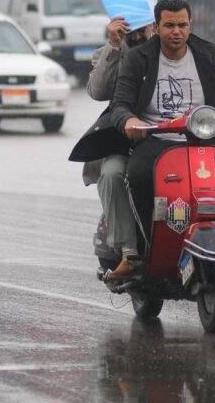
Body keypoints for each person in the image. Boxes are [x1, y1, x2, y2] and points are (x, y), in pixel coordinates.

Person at [110, 0, 215, 283]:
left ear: (190, 25)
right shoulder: (138, 58)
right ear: (157, 27)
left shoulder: (211, 55)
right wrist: (130, 121)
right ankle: (144, 252)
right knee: (138, 176)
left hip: (208, 140)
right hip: (157, 140)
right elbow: (120, 104)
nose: (176, 31)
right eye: (169, 25)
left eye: (182, 25)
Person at [69, 15, 155, 275]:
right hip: (125, 140)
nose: (137, 35)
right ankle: (128, 252)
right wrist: (115, 44)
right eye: (130, 30)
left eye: (143, 28)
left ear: (155, 26)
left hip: (171, 138)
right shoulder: (109, 54)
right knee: (112, 173)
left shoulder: (171, 54)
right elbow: (98, 91)